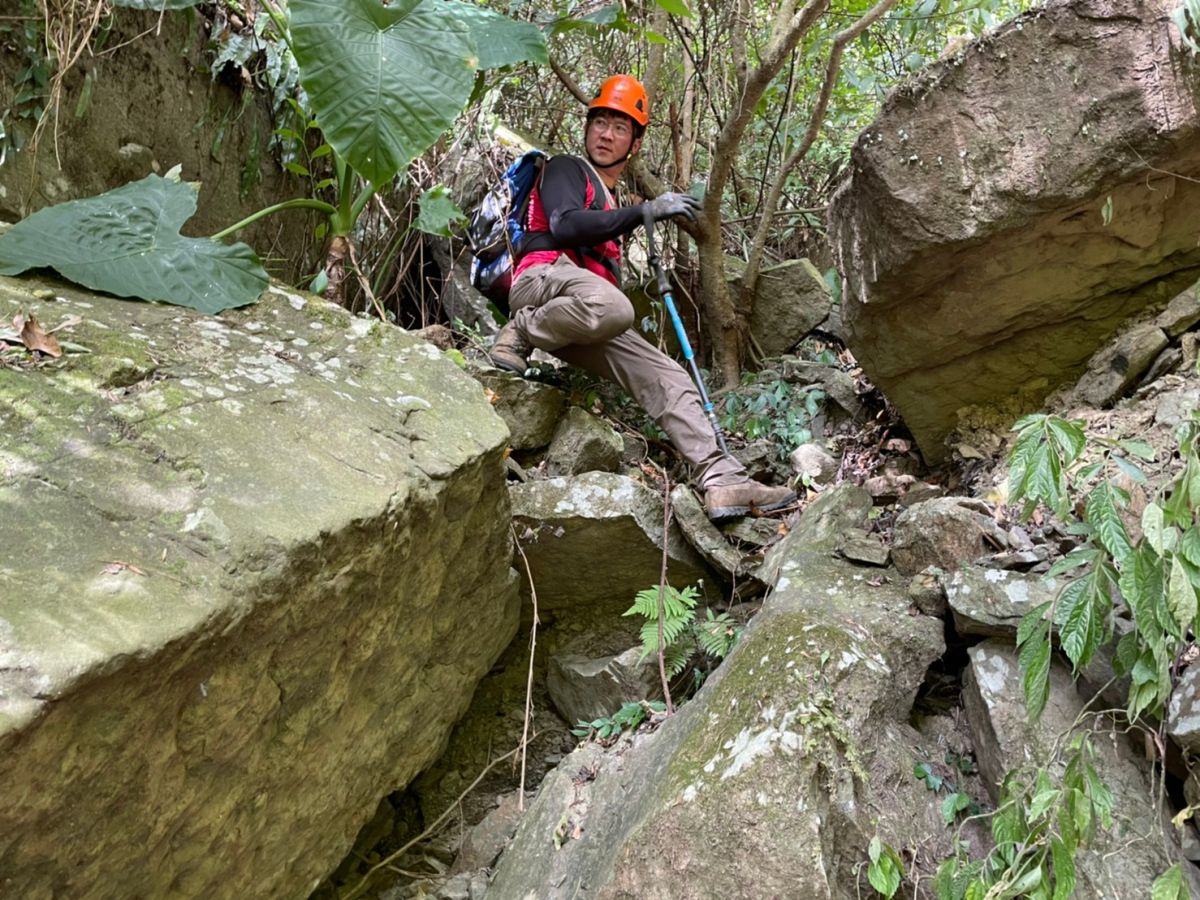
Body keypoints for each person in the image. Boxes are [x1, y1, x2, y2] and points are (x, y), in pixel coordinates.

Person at [488, 74, 795, 521]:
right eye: (600, 123)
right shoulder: (567, 170)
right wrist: (645, 211)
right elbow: (566, 225)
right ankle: (519, 330)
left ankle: (721, 478)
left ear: (634, 142)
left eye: (620, 127)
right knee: (614, 307)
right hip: (542, 283)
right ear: (588, 126)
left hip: (583, 313)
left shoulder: (609, 196)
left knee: (669, 377)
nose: (606, 134)